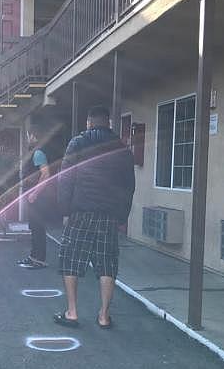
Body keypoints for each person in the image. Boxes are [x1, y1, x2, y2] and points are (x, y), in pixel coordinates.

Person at [53, 105, 135, 329]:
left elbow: (65, 178)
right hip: (108, 215)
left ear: (89, 122)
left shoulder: (77, 143)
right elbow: (129, 186)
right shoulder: (122, 149)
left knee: (70, 259)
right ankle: (104, 316)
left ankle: (72, 312)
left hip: (81, 210)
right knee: (107, 263)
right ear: (108, 123)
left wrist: (65, 210)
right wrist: (122, 215)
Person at [16, 118, 53, 269]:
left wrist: (35, 194)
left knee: (38, 228)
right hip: (33, 197)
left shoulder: (38, 152)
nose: (27, 138)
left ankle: (39, 260)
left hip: (37, 199)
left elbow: (46, 174)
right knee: (34, 227)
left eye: (28, 135)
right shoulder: (34, 152)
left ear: (33, 136)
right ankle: (33, 257)